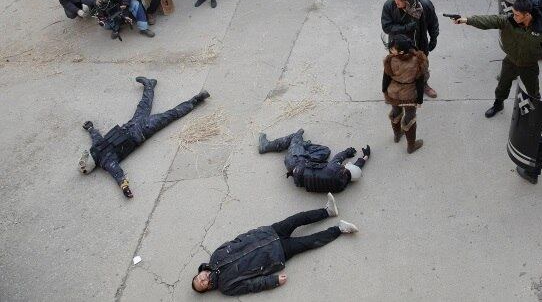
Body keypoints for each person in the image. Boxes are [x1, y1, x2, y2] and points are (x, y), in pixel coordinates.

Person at [191, 194, 358, 295]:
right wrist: (274, 281)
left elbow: (237, 239)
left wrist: (257, 231)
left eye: (199, 278)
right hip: (274, 255)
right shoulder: (226, 287)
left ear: (201, 272)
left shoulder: (216, 256)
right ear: (207, 289)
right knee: (308, 242)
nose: (203, 280)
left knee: (297, 218)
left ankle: (328, 211)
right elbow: (251, 286)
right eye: (202, 285)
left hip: (269, 233)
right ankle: (340, 229)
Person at [78, 77, 209, 197]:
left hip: (132, 124)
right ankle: (196, 100)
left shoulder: (95, 148)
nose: (84, 157)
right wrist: (125, 188)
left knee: (144, 105)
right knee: (171, 115)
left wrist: (90, 128)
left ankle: (149, 85)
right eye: (84, 161)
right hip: (144, 129)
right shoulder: (106, 162)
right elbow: (117, 173)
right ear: (89, 165)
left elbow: (96, 137)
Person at [453, 0, 542, 118]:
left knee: (532, 92)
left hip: (529, 66)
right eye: (513, 13)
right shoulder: (509, 21)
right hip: (511, 61)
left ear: (527, 14)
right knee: (502, 86)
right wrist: (467, 20)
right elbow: (489, 20)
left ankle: (529, 115)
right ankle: (498, 104)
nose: (513, 17)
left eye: (517, 15)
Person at [258, 128, 370, 193]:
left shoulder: (335, 169)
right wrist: (365, 157)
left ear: (345, 170)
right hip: (304, 173)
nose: (346, 165)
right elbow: (355, 172)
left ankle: (266, 146)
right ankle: (303, 146)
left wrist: (347, 152)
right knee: (325, 151)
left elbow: (338, 158)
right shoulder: (342, 185)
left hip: (295, 163)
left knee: (295, 137)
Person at [381, 0, 439, 98]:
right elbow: (387, 27)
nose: (396, 1)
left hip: (419, 44)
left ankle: (423, 85)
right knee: (397, 68)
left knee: (421, 67)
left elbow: (433, 23)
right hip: (399, 46)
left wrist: (433, 38)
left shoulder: (425, 5)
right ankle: (395, 87)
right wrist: (405, 28)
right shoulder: (389, 5)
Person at [382, 34, 427, 153]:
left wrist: (385, 91)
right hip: (410, 95)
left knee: (395, 112)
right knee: (410, 117)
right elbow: (420, 82)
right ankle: (411, 146)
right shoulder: (418, 61)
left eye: (392, 48)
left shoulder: (390, 59)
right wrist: (420, 100)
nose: (390, 50)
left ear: (401, 51)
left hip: (393, 93)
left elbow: (386, 78)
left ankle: (397, 136)